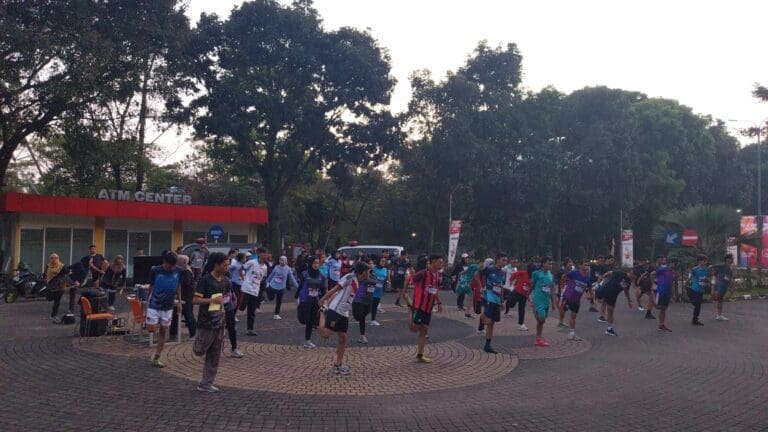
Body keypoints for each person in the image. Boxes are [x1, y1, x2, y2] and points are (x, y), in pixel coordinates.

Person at [319, 261, 370, 375]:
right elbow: (335, 289)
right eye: (368, 271)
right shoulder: (349, 277)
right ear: (362, 272)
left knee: (343, 338)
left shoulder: (359, 281)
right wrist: (323, 301)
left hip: (344, 313)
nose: (369, 273)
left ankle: (338, 365)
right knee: (325, 335)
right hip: (336, 310)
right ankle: (322, 313)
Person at [192, 252, 229, 392]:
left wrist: (228, 302)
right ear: (216, 265)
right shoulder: (205, 280)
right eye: (224, 265)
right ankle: (197, 342)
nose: (227, 267)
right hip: (206, 322)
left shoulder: (226, 280)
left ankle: (206, 383)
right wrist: (211, 300)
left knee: (215, 354)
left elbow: (226, 296)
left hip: (219, 321)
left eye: (228, 265)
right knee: (199, 350)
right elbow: (195, 300)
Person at [146, 252, 182, 368]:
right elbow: (151, 285)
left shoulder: (178, 270)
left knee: (163, 332)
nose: (171, 268)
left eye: (173, 266)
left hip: (168, 306)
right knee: (151, 329)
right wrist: (146, 300)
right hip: (154, 303)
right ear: (164, 262)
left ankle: (157, 356)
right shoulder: (155, 270)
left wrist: (180, 302)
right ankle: (153, 323)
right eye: (169, 265)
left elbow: (178, 286)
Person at [409, 254, 444, 363]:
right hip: (419, 306)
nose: (441, 264)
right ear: (433, 261)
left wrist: (439, 302)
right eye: (440, 262)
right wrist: (405, 293)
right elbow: (410, 279)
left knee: (424, 331)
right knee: (414, 329)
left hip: (428, 308)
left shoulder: (438, 275)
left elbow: (435, 289)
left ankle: (420, 355)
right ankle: (409, 310)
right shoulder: (423, 273)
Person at [479, 253, 509, 354]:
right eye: (503, 260)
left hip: (496, 300)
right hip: (489, 298)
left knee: (491, 323)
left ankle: (487, 345)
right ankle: (482, 316)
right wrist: (481, 288)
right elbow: (476, 275)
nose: (505, 262)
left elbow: (501, 287)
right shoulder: (489, 269)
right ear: (497, 260)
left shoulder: (503, 273)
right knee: (488, 321)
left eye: (506, 260)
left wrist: (501, 301)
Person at [557, 259, 592, 340]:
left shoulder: (588, 277)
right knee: (563, 309)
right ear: (581, 266)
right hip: (568, 297)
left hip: (577, 300)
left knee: (573, 316)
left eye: (588, 265)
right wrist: (562, 288)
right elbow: (563, 277)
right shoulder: (574, 272)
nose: (587, 267)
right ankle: (561, 321)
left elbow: (589, 288)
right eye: (585, 265)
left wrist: (590, 295)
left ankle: (571, 334)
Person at [296, 256, 326, 348]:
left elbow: (323, 290)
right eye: (314, 263)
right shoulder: (305, 274)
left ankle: (307, 340)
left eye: (317, 263)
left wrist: (323, 300)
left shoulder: (321, 276)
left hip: (314, 301)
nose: (316, 265)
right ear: (310, 264)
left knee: (311, 321)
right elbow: (300, 286)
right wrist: (296, 296)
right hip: (305, 300)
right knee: (303, 320)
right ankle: (307, 339)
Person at [596, 268, 633, 336]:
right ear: (630, 272)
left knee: (610, 311)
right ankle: (597, 291)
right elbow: (609, 272)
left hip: (613, 296)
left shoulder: (629, 282)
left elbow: (626, 291)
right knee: (600, 300)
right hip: (606, 289)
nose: (633, 277)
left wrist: (629, 301)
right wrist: (601, 280)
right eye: (632, 275)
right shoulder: (621, 273)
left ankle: (609, 329)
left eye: (634, 277)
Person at [240, 247, 268, 335]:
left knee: (251, 311)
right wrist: (243, 278)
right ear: (259, 254)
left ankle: (250, 329)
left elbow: (262, 277)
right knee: (240, 307)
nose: (265, 256)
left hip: (255, 291)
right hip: (246, 289)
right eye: (264, 254)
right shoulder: (252, 262)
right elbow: (241, 268)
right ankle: (229, 322)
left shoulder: (265, 267)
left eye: (266, 254)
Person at [531, 257, 556, 347]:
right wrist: (528, 294)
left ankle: (538, 339)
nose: (550, 265)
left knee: (541, 321)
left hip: (546, 301)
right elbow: (532, 285)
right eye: (549, 263)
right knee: (541, 319)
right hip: (538, 299)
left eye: (551, 263)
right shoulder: (536, 274)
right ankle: (538, 338)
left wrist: (553, 303)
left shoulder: (551, 275)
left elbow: (552, 289)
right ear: (543, 264)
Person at [266, 255, 299, 320]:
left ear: (286, 261)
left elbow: (292, 279)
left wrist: (298, 286)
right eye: (280, 260)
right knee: (270, 298)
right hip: (273, 285)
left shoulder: (288, 269)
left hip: (281, 287)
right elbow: (271, 275)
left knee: (279, 301)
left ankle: (276, 314)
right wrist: (267, 281)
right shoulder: (276, 267)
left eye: (282, 260)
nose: (281, 261)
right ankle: (267, 289)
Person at [651, 258, 675, 332]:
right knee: (658, 307)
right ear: (669, 263)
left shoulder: (672, 272)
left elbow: (671, 284)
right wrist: (653, 284)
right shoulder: (663, 269)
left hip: (667, 292)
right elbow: (652, 274)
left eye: (675, 264)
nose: (674, 265)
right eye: (673, 263)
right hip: (661, 291)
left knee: (664, 309)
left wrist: (672, 294)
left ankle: (661, 325)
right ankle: (652, 299)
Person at [352, 271, 376, 344]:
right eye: (366, 271)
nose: (367, 272)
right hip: (358, 302)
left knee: (362, 318)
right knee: (358, 318)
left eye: (368, 271)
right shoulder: (356, 278)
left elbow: (376, 282)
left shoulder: (372, 278)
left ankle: (362, 336)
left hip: (368, 302)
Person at [507, 263, 533, 331]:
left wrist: (529, 296)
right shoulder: (524, 273)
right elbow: (514, 274)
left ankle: (521, 324)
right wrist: (511, 281)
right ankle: (508, 295)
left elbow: (532, 286)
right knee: (511, 304)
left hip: (524, 295)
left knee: (522, 309)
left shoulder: (534, 276)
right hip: (517, 292)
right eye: (531, 269)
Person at [177, 255, 196, 339]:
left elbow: (185, 283)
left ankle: (194, 333)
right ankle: (174, 332)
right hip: (184, 295)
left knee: (189, 314)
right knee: (179, 314)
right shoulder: (183, 270)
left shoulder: (186, 271)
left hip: (187, 296)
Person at [45, 253, 69, 319]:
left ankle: (54, 315)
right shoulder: (48, 266)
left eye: (56, 258)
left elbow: (67, 272)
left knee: (57, 301)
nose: (54, 259)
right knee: (49, 298)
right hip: (51, 285)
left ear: (58, 258)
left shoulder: (62, 266)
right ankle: (54, 314)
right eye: (52, 258)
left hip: (60, 286)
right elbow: (46, 274)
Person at [689, 254, 710, 326]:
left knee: (698, 305)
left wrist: (708, 282)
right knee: (695, 303)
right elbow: (690, 276)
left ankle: (695, 319)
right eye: (704, 260)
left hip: (701, 289)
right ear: (699, 261)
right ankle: (695, 319)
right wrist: (688, 281)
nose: (705, 262)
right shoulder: (695, 269)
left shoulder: (707, 269)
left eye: (706, 261)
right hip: (694, 288)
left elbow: (706, 278)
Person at [712, 254, 734, 321]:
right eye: (731, 258)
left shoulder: (730, 267)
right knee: (719, 299)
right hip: (720, 284)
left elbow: (729, 278)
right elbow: (711, 267)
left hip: (725, 284)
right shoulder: (722, 265)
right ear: (727, 259)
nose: (732, 259)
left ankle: (719, 315)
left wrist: (731, 287)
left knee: (720, 300)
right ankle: (719, 315)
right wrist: (714, 278)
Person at [370, 256, 390, 326]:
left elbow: (385, 279)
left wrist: (387, 284)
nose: (383, 262)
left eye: (384, 261)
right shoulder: (373, 269)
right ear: (378, 261)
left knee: (375, 306)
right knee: (369, 306)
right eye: (382, 261)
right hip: (372, 290)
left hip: (379, 290)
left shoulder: (385, 269)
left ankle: (373, 320)